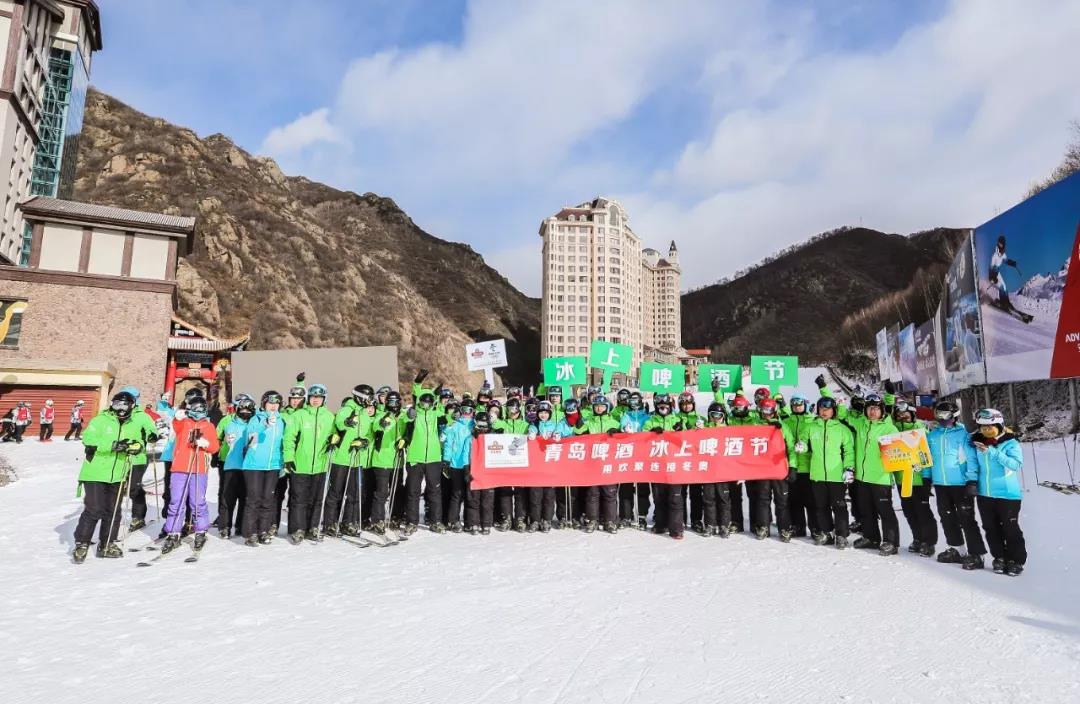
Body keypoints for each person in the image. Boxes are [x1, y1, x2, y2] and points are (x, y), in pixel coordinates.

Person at [72, 391, 144, 562]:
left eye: (125, 405)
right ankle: (82, 542)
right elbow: (88, 439)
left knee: (113, 511)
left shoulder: (132, 424)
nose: (121, 408)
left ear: (132, 406)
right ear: (112, 404)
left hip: (118, 474)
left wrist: (135, 446)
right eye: (117, 404)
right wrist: (112, 445)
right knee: (94, 508)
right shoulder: (100, 420)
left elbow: (139, 441)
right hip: (95, 472)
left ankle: (107, 543)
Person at [926, 400, 986, 568]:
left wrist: (972, 480)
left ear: (954, 416)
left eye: (946, 415)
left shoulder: (963, 435)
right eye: (939, 415)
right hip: (940, 484)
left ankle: (977, 554)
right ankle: (957, 549)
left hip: (960, 484)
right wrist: (926, 478)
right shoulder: (933, 435)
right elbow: (928, 458)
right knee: (946, 517)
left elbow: (971, 459)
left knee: (967, 519)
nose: (942, 418)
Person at [161, 393, 219, 555]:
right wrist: (178, 417)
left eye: (202, 408)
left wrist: (206, 444)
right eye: (196, 408)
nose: (199, 411)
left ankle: (201, 530)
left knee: (197, 501)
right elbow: (176, 426)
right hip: (180, 468)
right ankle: (173, 532)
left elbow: (214, 447)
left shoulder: (208, 426)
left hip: (199, 469)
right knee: (176, 501)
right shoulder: (185, 423)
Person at [970, 408, 1026, 576]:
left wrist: (993, 452)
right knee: (991, 528)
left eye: (990, 427)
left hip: (1008, 494)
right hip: (985, 494)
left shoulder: (1010, 443)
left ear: (1000, 425)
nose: (986, 431)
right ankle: (999, 557)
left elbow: (1016, 465)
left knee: (1010, 528)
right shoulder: (977, 444)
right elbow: (974, 465)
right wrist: (971, 482)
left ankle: (1016, 560)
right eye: (983, 428)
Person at [797, 396, 855, 549]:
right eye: (821, 409)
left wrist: (849, 468)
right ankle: (827, 532)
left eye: (827, 409)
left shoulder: (842, 429)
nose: (824, 412)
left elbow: (849, 451)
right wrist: (802, 445)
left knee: (839, 506)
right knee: (821, 506)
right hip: (817, 475)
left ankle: (841, 534)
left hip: (836, 475)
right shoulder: (811, 427)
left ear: (833, 410)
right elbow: (803, 439)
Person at [282, 383, 335, 544]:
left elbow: (335, 433)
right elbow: (289, 438)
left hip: (321, 464)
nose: (315, 400)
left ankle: (312, 527)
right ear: (308, 398)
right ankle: (298, 529)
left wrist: (335, 439)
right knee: (299, 499)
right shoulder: (299, 415)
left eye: (319, 397)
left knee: (317, 499)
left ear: (324, 399)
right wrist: (289, 457)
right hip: (300, 464)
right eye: (313, 397)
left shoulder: (329, 417)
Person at [851, 394, 901, 556]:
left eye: (876, 409)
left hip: (880, 478)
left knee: (885, 511)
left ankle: (891, 541)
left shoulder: (889, 428)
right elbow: (842, 414)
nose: (873, 412)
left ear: (882, 410)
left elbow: (898, 453)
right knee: (866, 511)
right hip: (862, 477)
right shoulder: (861, 424)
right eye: (870, 408)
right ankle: (871, 538)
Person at [325, 384, 376, 537]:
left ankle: (349, 522)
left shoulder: (365, 414)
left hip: (356, 458)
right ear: (360, 397)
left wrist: (364, 441)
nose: (370, 401)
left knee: (354, 494)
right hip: (341, 458)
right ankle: (330, 523)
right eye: (369, 398)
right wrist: (347, 422)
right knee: (336, 492)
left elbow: (368, 433)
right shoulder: (346, 410)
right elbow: (340, 423)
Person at [892, 400, 937, 556]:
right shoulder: (894, 430)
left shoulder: (920, 429)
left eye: (905, 413)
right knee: (909, 511)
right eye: (899, 414)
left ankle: (928, 542)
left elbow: (928, 454)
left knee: (922, 511)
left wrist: (927, 477)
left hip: (918, 478)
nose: (902, 416)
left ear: (912, 413)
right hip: (902, 478)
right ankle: (917, 538)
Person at [241, 391, 286, 546]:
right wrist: (265, 424)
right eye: (270, 403)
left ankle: (263, 530)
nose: (273, 406)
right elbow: (251, 436)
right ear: (263, 404)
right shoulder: (256, 419)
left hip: (272, 465)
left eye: (276, 403)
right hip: (254, 465)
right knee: (254, 499)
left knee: (268, 499)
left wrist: (283, 463)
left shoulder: (282, 421)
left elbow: (283, 444)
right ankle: (250, 533)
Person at [748, 398, 794, 542]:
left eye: (769, 411)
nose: (767, 414)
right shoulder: (755, 425)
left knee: (782, 501)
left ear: (775, 411)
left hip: (779, 470)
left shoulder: (783, 427)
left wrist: (793, 467)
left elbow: (791, 448)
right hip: (763, 470)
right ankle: (763, 526)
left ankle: (784, 528)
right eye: (764, 411)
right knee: (763, 499)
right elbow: (747, 446)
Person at [573, 394, 621, 533]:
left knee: (610, 493)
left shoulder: (614, 422)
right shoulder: (589, 422)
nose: (599, 409)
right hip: (592, 464)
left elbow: (625, 438)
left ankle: (610, 521)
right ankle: (592, 520)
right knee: (592, 493)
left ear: (607, 407)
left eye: (602, 406)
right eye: (597, 406)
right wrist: (579, 426)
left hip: (609, 463)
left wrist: (618, 432)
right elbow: (577, 433)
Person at [119, 386, 162, 533]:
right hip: (116, 458)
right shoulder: (115, 414)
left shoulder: (142, 416)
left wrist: (152, 435)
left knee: (133, 488)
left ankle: (138, 517)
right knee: (115, 489)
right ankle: (111, 516)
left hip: (137, 458)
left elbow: (152, 429)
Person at [644, 395, 684, 539]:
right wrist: (651, 432)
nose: (663, 409)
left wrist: (681, 429)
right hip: (657, 465)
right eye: (660, 407)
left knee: (675, 498)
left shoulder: (677, 419)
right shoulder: (650, 421)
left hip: (674, 465)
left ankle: (676, 527)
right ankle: (661, 524)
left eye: (666, 407)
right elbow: (642, 438)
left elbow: (688, 439)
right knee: (659, 497)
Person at [526, 400, 569, 532]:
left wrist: (558, 436)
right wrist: (531, 435)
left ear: (549, 413)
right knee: (535, 495)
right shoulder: (534, 424)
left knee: (549, 496)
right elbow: (530, 431)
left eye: (546, 413)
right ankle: (535, 520)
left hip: (550, 466)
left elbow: (563, 434)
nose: (543, 415)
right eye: (541, 413)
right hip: (536, 466)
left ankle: (547, 519)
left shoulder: (555, 425)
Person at [217, 394, 255, 539]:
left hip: (249, 467)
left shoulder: (253, 425)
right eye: (243, 409)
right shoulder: (230, 424)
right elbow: (228, 440)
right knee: (228, 498)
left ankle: (240, 525)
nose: (245, 412)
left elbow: (255, 443)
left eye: (249, 410)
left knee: (245, 498)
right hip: (232, 465)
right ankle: (225, 526)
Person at [369, 391, 406, 534]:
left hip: (397, 459)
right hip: (382, 459)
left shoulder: (403, 415)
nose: (393, 405)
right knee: (382, 492)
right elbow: (376, 426)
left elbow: (408, 429)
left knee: (397, 490)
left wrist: (405, 440)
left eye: (395, 402)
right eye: (390, 402)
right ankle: (377, 520)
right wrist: (382, 424)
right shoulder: (382, 414)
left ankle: (396, 517)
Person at [494, 397, 531, 531]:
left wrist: (533, 430)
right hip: (506, 461)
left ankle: (520, 518)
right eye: (509, 409)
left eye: (515, 409)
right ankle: (507, 518)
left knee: (520, 491)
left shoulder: (524, 424)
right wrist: (493, 418)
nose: (512, 412)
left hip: (520, 461)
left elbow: (532, 430)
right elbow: (495, 424)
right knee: (505, 490)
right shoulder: (504, 423)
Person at [782, 395, 816, 538]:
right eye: (794, 404)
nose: (797, 406)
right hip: (791, 466)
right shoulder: (786, 422)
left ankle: (815, 528)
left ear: (805, 405)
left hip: (809, 467)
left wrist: (808, 448)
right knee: (794, 500)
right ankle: (798, 526)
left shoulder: (812, 421)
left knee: (811, 500)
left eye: (800, 404)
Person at [441, 399, 476, 532]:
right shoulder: (454, 426)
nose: (466, 413)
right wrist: (446, 460)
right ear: (460, 411)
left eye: (469, 411)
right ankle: (453, 520)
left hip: (472, 464)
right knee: (457, 493)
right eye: (464, 410)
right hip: (457, 464)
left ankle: (469, 521)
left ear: (473, 412)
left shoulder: (475, 425)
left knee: (470, 494)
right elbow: (448, 444)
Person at [618, 391, 652, 529]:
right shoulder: (626, 415)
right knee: (626, 488)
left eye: (636, 401)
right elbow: (623, 425)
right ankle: (626, 516)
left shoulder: (646, 416)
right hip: (628, 455)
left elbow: (649, 428)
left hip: (642, 456)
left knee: (642, 488)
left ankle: (642, 515)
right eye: (631, 402)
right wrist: (625, 428)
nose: (633, 404)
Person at [675, 392, 707, 534]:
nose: (686, 406)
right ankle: (680, 519)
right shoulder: (675, 418)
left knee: (696, 493)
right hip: (680, 460)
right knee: (681, 492)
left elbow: (715, 431)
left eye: (689, 404)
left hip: (695, 461)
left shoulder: (700, 418)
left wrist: (704, 430)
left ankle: (696, 520)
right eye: (683, 404)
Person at [702, 402, 734, 537]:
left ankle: (724, 524)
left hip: (723, 470)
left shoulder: (728, 429)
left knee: (723, 498)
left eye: (719, 415)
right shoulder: (704, 429)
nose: (716, 418)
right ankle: (710, 524)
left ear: (724, 416)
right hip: (708, 470)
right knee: (709, 498)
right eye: (713, 415)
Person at [725, 394, 756, 532]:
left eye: (741, 407)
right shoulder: (730, 420)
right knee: (734, 495)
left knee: (754, 494)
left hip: (751, 462)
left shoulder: (754, 420)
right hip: (734, 462)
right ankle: (736, 522)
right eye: (735, 407)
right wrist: (717, 392)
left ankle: (757, 524)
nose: (738, 410)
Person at [467, 411, 497, 534]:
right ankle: (474, 523)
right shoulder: (470, 438)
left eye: (484, 425)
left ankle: (486, 523)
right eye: (479, 425)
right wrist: (466, 470)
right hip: (474, 472)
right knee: (473, 500)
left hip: (488, 473)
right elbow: (465, 454)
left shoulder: (493, 438)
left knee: (487, 500)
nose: (482, 428)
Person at [555, 398, 581, 528]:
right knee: (562, 489)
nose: (571, 412)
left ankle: (576, 515)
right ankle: (562, 515)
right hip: (564, 460)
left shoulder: (583, 421)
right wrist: (557, 436)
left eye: (573, 409)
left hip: (578, 459)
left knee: (576, 491)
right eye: (568, 410)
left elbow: (588, 434)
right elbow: (557, 432)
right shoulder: (562, 422)